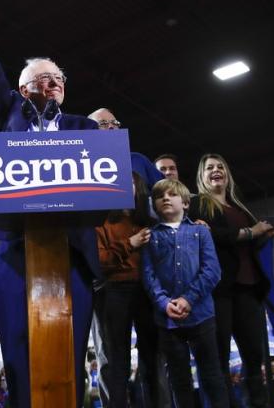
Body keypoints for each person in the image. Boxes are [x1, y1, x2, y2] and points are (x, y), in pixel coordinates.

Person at [0, 0, 100, 406]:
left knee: (70, 350)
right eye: (43, 79)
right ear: (23, 90)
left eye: (58, 79)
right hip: (16, 253)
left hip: (72, 253)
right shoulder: (9, 114)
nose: (53, 84)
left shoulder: (85, 129)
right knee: (19, 347)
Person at [186, 154, 274, 408]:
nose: (216, 171)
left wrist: (264, 233)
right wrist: (250, 231)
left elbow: (250, 242)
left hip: (249, 289)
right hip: (218, 291)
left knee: (253, 358)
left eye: (220, 167)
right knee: (219, 358)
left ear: (228, 174)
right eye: (209, 168)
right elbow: (208, 236)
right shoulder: (198, 205)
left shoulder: (240, 207)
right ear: (202, 177)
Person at [142, 178, 228, 408]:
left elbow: (212, 270)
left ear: (186, 203)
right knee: (179, 380)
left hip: (202, 316)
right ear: (154, 204)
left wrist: (188, 299)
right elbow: (148, 275)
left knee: (212, 376)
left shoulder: (201, 231)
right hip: (167, 321)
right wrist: (164, 303)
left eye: (172, 195)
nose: (166, 198)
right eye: (160, 196)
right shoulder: (150, 236)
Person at [89, 172, 163, 407]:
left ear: (139, 189)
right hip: (112, 292)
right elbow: (98, 262)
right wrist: (129, 244)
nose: (125, 187)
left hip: (147, 293)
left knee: (152, 358)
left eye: (130, 183)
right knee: (115, 360)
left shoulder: (150, 223)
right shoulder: (100, 223)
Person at [88, 108, 164, 192]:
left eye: (114, 123)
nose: (111, 126)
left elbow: (166, 191)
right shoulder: (80, 165)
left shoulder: (138, 160)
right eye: (103, 123)